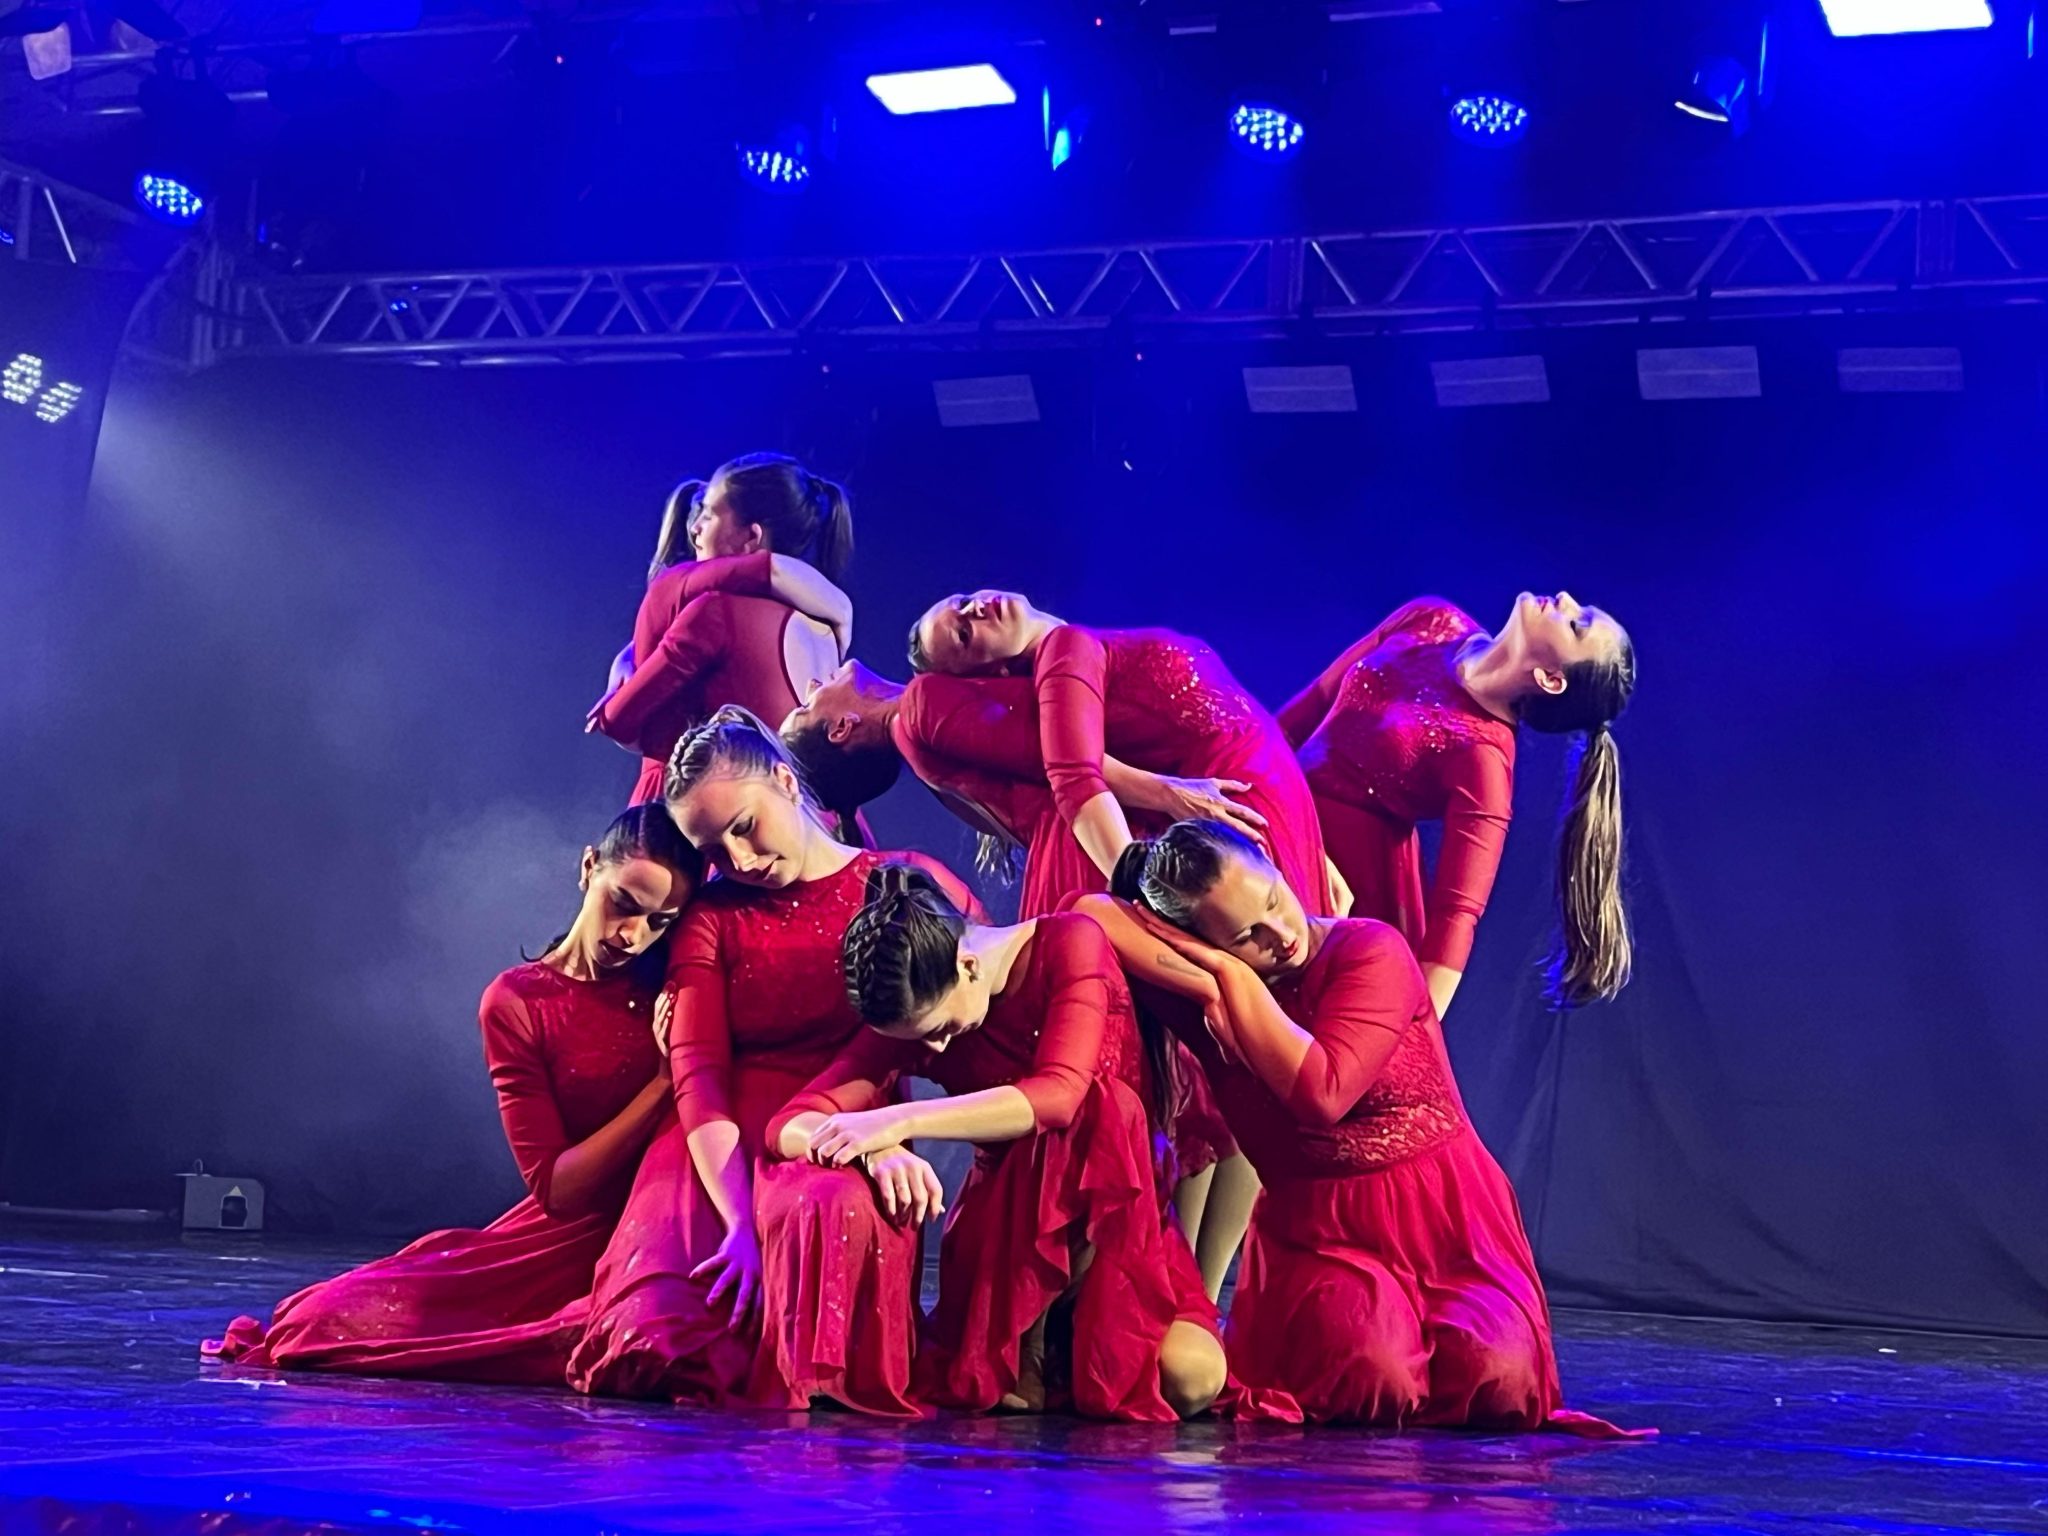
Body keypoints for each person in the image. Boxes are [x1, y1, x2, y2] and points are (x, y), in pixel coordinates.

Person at [1072, 818, 1645, 1436]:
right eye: (1246, 936)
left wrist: (1231, 975)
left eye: (1273, 900)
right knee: (1371, 1374)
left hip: (1448, 1219)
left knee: (1498, 1380)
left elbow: (1324, 1090)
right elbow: (1090, 911)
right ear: (1197, 941)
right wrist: (1215, 974)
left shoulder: (1369, 950)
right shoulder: (1202, 998)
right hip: (1324, 1233)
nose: (1281, 936)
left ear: (1271, 860)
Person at [783, 658, 1277, 1297]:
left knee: (1195, 1068)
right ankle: (1191, 1290)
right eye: (808, 706)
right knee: (1205, 1060)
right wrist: (1163, 794)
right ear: (842, 728)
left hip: (1096, 840)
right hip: (1108, 836)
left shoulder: (928, 719)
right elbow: (1065, 764)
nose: (811, 686)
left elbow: (1044, 773)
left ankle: (1188, 1291)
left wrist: (893, 1125)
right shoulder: (922, 708)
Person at [567, 707, 982, 1414]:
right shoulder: (713, 917)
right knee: (655, 1345)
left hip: (846, 1127)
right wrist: (737, 1222)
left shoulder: (904, 884)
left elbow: (979, 1005)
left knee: (825, 1220)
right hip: (714, 1148)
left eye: (745, 826)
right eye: (714, 849)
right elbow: (699, 1078)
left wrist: (879, 1136)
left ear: (786, 783)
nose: (740, 860)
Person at [205, 805, 700, 1383]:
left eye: (660, 921)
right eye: (624, 904)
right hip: (570, 1234)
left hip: (672, 1211)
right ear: (589, 867)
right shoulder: (518, 1003)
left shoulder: (678, 975)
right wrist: (661, 1086)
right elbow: (556, 1189)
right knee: (324, 1324)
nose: (632, 935)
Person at [768, 863, 1225, 1421]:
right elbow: (789, 1123)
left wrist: (897, 1121)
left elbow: (1059, 1095)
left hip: (1117, 1223)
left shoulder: (1068, 942)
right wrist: (871, 1147)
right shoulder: (918, 1014)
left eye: (941, 1028)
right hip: (1004, 1245)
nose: (937, 1049)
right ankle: (1028, 1339)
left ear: (968, 964)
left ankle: (1059, 1340)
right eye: (924, 1038)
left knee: (1192, 1378)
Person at [1276, 592, 1636, 1016]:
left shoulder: (1485, 758)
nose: (1566, 599)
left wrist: (1413, 1039)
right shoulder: (1431, 619)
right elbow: (1310, 706)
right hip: (1278, 803)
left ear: (1550, 680)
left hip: (1338, 879)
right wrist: (1248, 772)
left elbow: (1456, 918)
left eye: (1576, 625)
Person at [589, 458, 857, 806]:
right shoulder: (824, 628)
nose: (694, 528)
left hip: (686, 808)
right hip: (804, 813)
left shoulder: (710, 609)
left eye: (710, 514)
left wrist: (618, 695)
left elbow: (620, 722)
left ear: (751, 537)